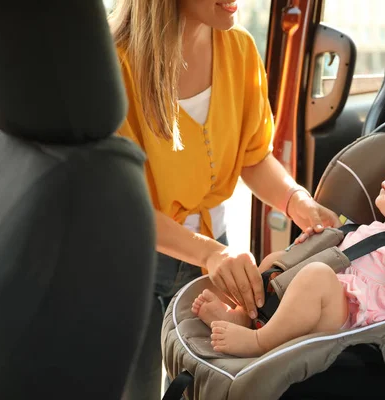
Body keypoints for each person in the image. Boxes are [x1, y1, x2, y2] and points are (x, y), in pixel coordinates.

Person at [108, 0, 341, 397]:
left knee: (201, 382)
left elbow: (253, 157)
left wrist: (294, 198)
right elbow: (125, 208)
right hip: (134, 260)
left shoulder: (241, 50)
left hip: (215, 246)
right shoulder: (116, 67)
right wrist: (209, 254)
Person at [191, 144, 385, 357]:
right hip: (323, 291)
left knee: (317, 276)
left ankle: (259, 342)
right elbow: (338, 254)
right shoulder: (368, 229)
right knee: (276, 259)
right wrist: (308, 247)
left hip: (349, 317)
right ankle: (245, 315)